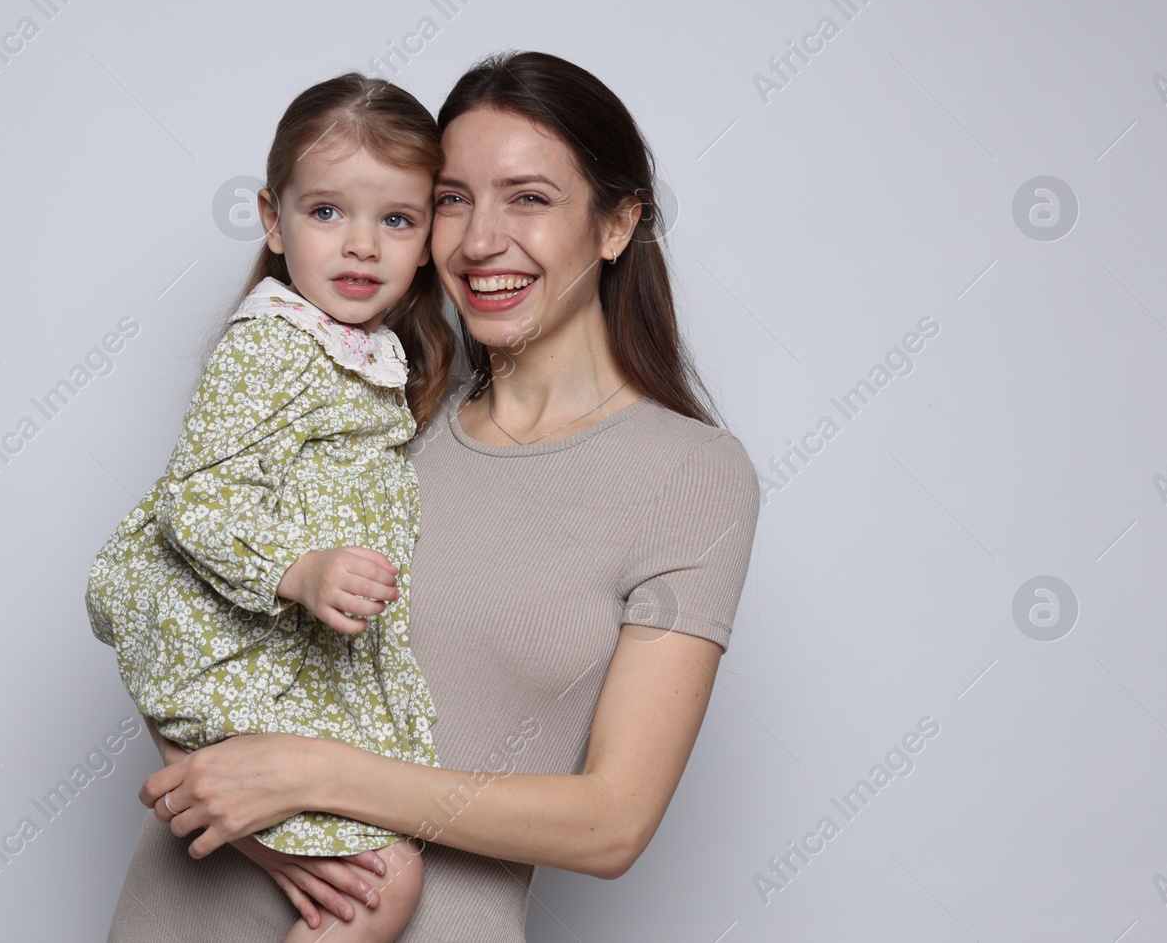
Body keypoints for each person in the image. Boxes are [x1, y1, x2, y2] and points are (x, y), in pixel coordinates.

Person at [103, 51, 762, 942]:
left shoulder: (692, 476)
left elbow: (612, 824)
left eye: (528, 196)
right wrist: (271, 834)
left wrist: (314, 774)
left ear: (618, 224)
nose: (480, 238)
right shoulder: (374, 410)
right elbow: (163, 595)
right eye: (453, 199)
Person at [85, 72, 458, 941]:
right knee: (385, 880)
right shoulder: (271, 345)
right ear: (271, 218)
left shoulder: (369, 350)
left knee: (381, 857)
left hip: (293, 657)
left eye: (396, 220)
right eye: (327, 212)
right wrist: (302, 570)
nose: (361, 246)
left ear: (428, 236)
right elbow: (199, 498)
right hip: (242, 643)